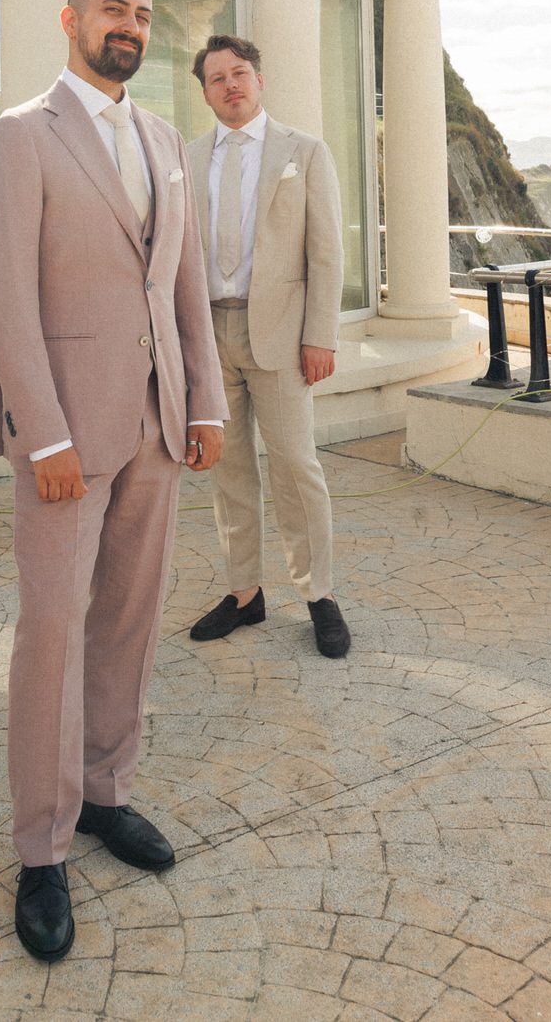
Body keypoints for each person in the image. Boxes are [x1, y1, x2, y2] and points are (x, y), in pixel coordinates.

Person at [0, 0, 226, 963]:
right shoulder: (19, 136)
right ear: (71, 19)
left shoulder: (164, 138)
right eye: (114, 9)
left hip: (159, 426)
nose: (131, 25)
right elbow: (6, 300)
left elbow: (188, 288)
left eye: (145, 15)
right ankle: (40, 847)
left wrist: (205, 402)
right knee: (51, 629)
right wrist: (48, 435)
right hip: (67, 439)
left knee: (128, 619)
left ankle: (106, 795)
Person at [186, 33, 350, 660]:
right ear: (204, 93)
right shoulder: (189, 155)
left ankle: (319, 594)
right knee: (227, 469)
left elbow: (327, 252)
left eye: (240, 73)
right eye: (217, 78)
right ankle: (243, 592)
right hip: (209, 332)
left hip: (282, 335)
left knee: (296, 466)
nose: (230, 84)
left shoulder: (303, 152)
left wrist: (320, 335)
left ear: (259, 79)